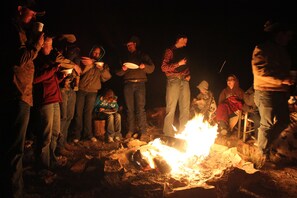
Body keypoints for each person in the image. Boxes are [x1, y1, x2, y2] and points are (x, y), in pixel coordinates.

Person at [0, 0, 45, 197]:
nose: (34, 17)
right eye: (32, 13)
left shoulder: (20, 31)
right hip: (16, 93)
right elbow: (19, 59)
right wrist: (36, 45)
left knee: (13, 147)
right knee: (14, 149)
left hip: (22, 94)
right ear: (20, 9)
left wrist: (33, 40)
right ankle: (14, 192)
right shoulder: (12, 29)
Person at [252, 19, 295, 167]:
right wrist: (282, 79)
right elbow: (260, 73)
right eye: (287, 35)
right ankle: (261, 156)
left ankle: (265, 148)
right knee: (267, 124)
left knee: (284, 121)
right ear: (278, 34)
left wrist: (288, 83)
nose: (289, 39)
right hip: (265, 92)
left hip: (280, 93)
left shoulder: (283, 52)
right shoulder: (261, 49)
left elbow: (283, 72)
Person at [33, 36, 67, 174]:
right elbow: (36, 79)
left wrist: (60, 77)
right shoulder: (37, 60)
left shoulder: (48, 60)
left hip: (54, 99)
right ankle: (43, 166)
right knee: (45, 135)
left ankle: (51, 160)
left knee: (55, 133)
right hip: (45, 101)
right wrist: (53, 70)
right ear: (42, 45)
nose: (52, 48)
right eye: (49, 45)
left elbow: (49, 80)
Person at [116, 36, 155, 139]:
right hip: (128, 84)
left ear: (135, 44)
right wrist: (123, 69)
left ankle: (143, 132)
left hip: (140, 84)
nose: (129, 47)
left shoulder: (142, 55)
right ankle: (130, 130)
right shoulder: (124, 57)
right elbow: (118, 73)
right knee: (129, 109)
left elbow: (152, 68)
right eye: (127, 45)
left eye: (130, 44)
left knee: (140, 109)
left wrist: (144, 66)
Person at [71, 45, 112, 143]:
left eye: (98, 53)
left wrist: (101, 68)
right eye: (95, 52)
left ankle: (88, 134)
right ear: (91, 52)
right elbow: (80, 72)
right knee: (78, 113)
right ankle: (77, 135)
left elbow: (107, 77)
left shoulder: (103, 65)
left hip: (93, 91)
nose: (96, 54)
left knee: (88, 113)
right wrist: (90, 64)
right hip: (81, 89)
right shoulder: (85, 60)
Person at [161, 34, 190, 137]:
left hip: (184, 81)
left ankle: (184, 132)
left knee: (185, 107)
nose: (185, 44)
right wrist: (178, 64)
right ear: (180, 39)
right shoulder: (170, 51)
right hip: (173, 80)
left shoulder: (184, 51)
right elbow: (164, 67)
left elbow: (187, 64)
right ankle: (168, 133)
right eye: (184, 41)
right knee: (171, 107)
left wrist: (188, 74)